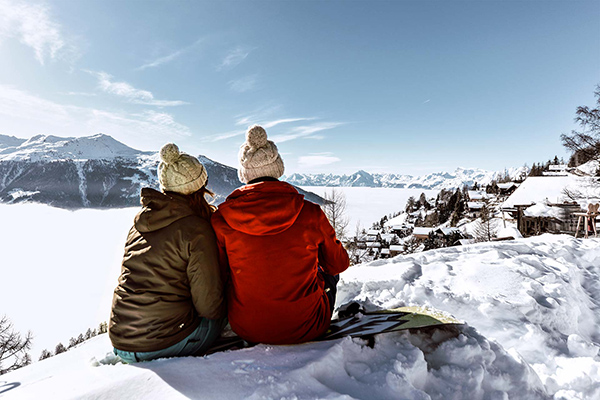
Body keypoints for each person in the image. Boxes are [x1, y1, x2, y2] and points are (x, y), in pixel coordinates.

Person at [211, 125, 350, 345]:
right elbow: (339, 264)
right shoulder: (310, 213)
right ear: (278, 169)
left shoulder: (221, 220)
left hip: (246, 327)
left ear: (245, 174)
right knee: (328, 270)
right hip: (307, 326)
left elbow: (220, 274)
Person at [109, 143, 226, 363]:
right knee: (228, 316)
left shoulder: (139, 223)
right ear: (199, 188)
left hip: (120, 340)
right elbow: (209, 306)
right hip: (162, 343)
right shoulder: (196, 230)